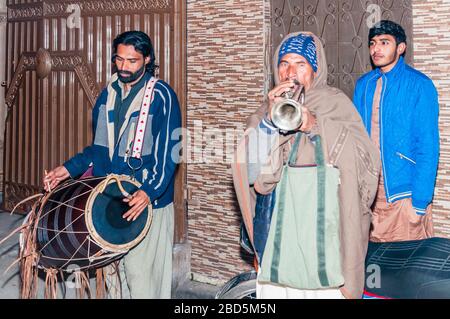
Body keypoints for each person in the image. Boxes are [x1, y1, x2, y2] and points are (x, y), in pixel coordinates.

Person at [232, 31, 381, 299]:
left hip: (323, 240)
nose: (291, 72)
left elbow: (366, 163)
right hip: (279, 237)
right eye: (284, 63)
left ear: (315, 69)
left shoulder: (334, 103)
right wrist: (268, 122)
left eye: (300, 64)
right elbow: (251, 175)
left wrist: (316, 125)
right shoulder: (264, 111)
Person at [43, 31, 181, 298]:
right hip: (110, 198)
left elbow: (169, 154)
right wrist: (68, 169)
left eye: (132, 61)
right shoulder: (108, 94)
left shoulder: (161, 96)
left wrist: (148, 192)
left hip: (147, 199)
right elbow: (99, 149)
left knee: (142, 277)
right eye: (119, 60)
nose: (124, 67)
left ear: (147, 59)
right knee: (113, 274)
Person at [353, 20, 439, 242]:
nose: (376, 49)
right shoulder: (364, 85)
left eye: (384, 42)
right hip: (369, 194)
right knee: (375, 269)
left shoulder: (419, 85)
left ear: (401, 48)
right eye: (372, 43)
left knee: (407, 270)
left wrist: (419, 204)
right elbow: (356, 138)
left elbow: (427, 147)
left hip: (403, 195)